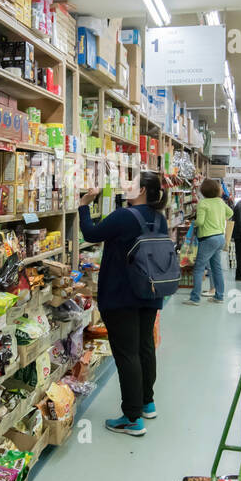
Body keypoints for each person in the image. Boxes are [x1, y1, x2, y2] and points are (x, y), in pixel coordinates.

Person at [78, 171, 169, 437]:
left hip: (121, 295)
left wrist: (84, 204)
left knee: (126, 354)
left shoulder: (123, 216)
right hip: (150, 292)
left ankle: (132, 418)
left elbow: (91, 233)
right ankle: (146, 403)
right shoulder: (159, 219)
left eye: (131, 182)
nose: (125, 185)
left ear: (141, 191)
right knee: (144, 347)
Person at [184, 178, 234, 306]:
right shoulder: (220, 202)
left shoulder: (203, 203)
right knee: (216, 268)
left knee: (199, 268)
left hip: (208, 238)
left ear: (203, 191)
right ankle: (219, 296)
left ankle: (195, 298)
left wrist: (194, 224)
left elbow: (200, 222)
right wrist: (219, 219)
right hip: (219, 237)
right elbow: (230, 213)